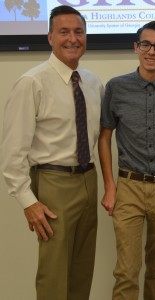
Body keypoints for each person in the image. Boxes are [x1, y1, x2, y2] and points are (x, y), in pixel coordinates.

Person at [0, 5, 104, 300]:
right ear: (49, 37)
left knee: (82, 270)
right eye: (64, 32)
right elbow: (12, 151)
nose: (73, 38)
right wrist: (27, 201)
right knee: (54, 276)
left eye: (79, 32)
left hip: (88, 178)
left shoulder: (93, 82)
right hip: (54, 184)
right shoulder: (32, 82)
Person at [98, 21, 155, 300]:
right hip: (129, 188)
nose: (152, 51)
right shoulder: (116, 88)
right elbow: (104, 138)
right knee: (127, 270)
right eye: (146, 44)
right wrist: (110, 187)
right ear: (136, 47)